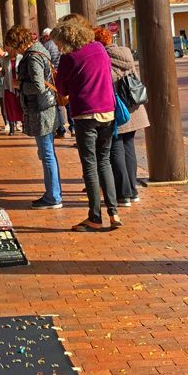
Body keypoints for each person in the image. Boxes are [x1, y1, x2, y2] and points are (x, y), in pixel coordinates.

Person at [52, 18, 120, 231]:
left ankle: (95, 217)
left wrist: (58, 79)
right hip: (108, 111)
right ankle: (114, 212)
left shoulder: (68, 58)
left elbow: (62, 92)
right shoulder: (99, 48)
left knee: (90, 165)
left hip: (85, 115)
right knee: (104, 161)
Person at [5, 25, 62, 208]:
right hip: (44, 108)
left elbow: (38, 86)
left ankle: (53, 196)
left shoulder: (33, 57)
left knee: (47, 154)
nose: (11, 49)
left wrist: (19, 84)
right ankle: (53, 194)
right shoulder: (38, 51)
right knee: (47, 153)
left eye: (12, 45)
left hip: (42, 109)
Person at [93, 27, 150, 206]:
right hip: (133, 107)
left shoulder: (102, 57)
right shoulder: (125, 52)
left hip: (117, 108)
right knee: (129, 148)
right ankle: (133, 190)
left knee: (115, 149)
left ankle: (123, 193)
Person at [41, 28, 71, 139]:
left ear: (46, 36)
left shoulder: (46, 46)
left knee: (57, 102)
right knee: (68, 101)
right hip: (65, 73)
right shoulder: (63, 45)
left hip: (54, 77)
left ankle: (61, 128)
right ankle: (72, 127)